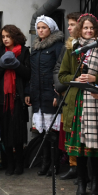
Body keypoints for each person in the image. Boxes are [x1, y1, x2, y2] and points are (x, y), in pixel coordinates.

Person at [59, 14, 98, 195]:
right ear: (80, 29)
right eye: (85, 28)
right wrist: (77, 79)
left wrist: (95, 78)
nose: (88, 31)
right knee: (80, 147)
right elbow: (62, 75)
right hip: (78, 102)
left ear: (96, 29)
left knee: (94, 147)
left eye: (91, 28)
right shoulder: (73, 49)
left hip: (97, 101)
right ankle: (81, 183)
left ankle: (95, 183)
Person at [27, 16, 65, 176]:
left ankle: (55, 164)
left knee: (52, 133)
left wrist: (57, 94)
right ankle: (45, 162)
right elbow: (32, 73)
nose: (41, 31)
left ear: (51, 29)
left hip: (51, 94)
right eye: (38, 28)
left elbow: (59, 71)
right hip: (37, 95)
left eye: (44, 28)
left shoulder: (58, 46)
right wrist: (28, 92)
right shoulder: (35, 48)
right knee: (42, 132)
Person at [0, 24, 31, 175]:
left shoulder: (24, 51)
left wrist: (15, 64)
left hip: (18, 97)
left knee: (18, 132)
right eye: (3, 37)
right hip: (3, 98)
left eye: (8, 36)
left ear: (15, 37)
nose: (5, 39)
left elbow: (28, 74)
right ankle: (9, 163)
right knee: (5, 131)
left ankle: (19, 164)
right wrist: (3, 64)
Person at [54, 12, 81, 179]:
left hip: (78, 96)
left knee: (79, 133)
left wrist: (67, 82)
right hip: (66, 94)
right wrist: (59, 86)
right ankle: (73, 166)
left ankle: (82, 169)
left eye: (72, 24)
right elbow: (58, 68)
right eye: (68, 24)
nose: (69, 28)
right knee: (69, 132)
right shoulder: (67, 45)